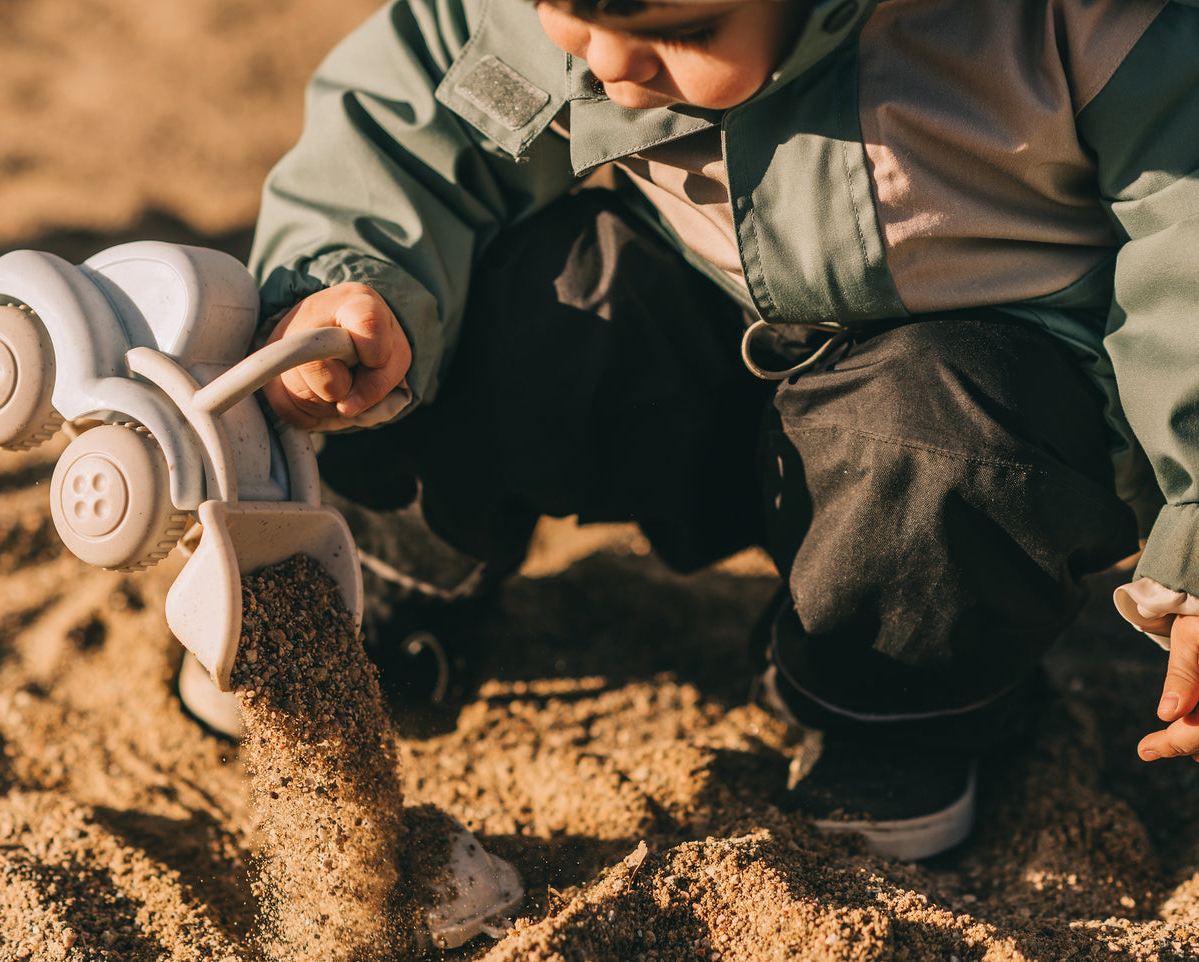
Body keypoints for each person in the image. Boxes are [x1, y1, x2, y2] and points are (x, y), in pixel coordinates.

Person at [241, 0, 1199, 859]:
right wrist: (349, 279)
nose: (611, 66)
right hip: (714, 338)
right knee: (500, 307)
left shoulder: (1072, 22)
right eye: (570, 13)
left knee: (940, 447)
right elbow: (408, 134)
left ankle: (887, 712)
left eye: (685, 31)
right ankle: (391, 584)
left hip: (968, 400)